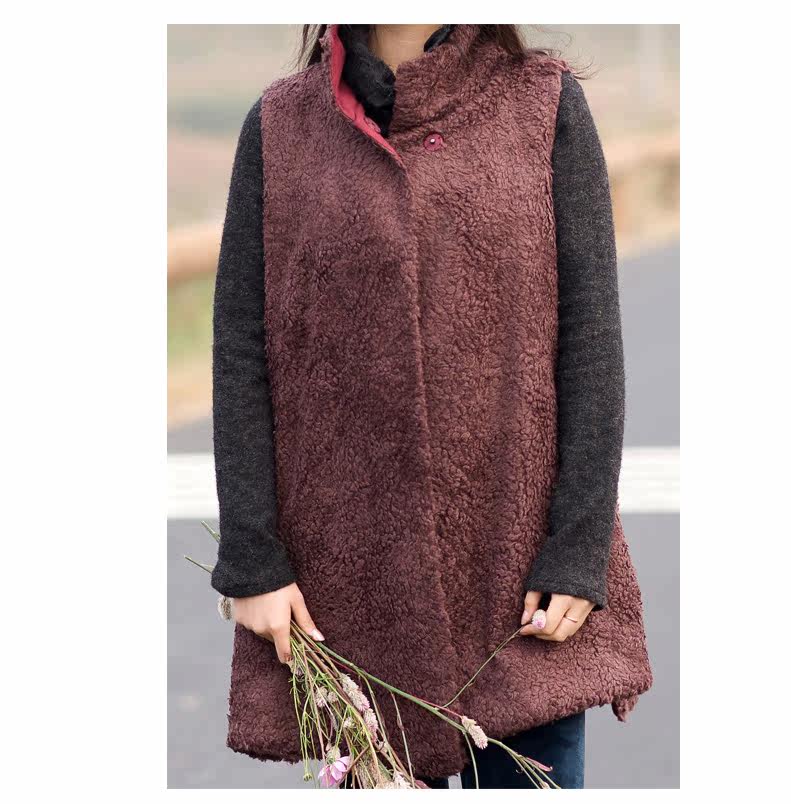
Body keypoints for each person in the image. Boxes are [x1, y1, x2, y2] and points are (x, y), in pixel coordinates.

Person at [210, 24, 652, 789]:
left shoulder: (542, 103)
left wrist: (577, 551)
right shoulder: (281, 125)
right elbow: (242, 349)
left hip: (519, 577)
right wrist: (252, 561)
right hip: (349, 585)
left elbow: (589, 340)